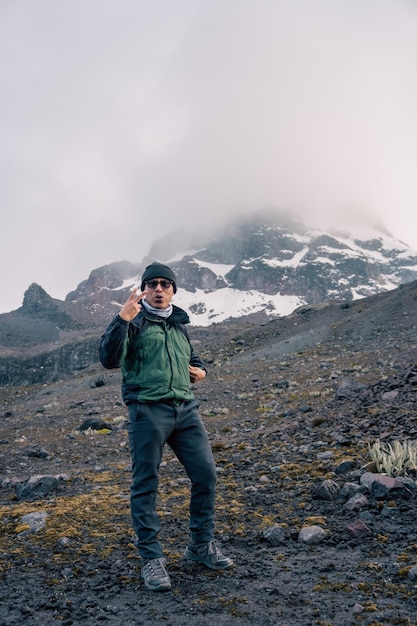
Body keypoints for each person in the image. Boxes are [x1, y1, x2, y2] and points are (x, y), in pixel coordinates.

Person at [99, 262, 233, 591]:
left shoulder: (177, 324)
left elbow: (193, 361)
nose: (158, 289)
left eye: (165, 284)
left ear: (173, 290)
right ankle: (152, 558)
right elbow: (109, 359)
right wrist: (121, 320)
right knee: (146, 484)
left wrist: (200, 372)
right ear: (144, 289)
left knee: (206, 474)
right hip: (147, 411)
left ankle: (200, 545)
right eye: (152, 284)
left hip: (185, 411)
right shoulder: (133, 321)